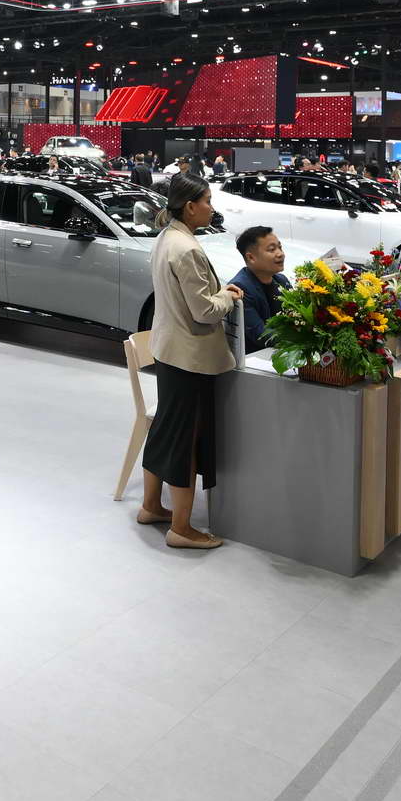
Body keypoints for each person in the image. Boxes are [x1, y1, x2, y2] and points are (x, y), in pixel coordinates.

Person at [137, 173, 243, 550]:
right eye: (208, 201)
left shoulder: (167, 237)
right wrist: (228, 296)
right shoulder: (186, 249)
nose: (212, 208)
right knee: (187, 440)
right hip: (190, 358)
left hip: (169, 351)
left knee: (165, 431)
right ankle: (181, 528)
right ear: (190, 206)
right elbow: (204, 311)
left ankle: (151, 506)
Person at [229, 225, 290, 354]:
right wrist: (302, 335)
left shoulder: (282, 280)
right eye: (272, 249)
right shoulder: (239, 288)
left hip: (282, 351)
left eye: (280, 247)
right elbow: (262, 335)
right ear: (251, 257)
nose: (280, 254)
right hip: (256, 358)